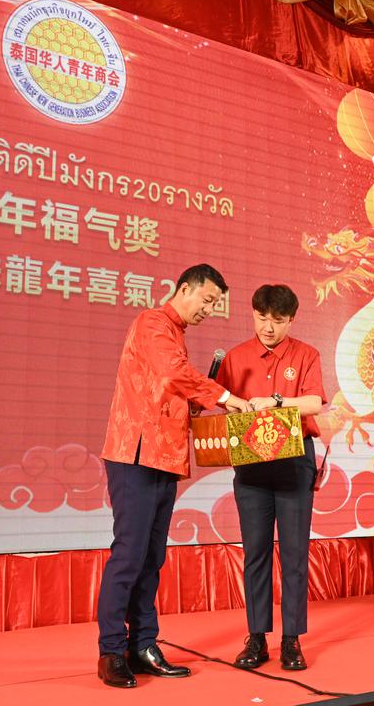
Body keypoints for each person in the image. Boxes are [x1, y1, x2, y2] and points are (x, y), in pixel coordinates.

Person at [96, 263, 252, 689]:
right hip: (135, 454)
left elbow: (169, 391)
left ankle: (143, 645)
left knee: (152, 558)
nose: (209, 310)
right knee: (130, 554)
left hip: (164, 457)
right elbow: (172, 373)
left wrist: (196, 404)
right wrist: (224, 396)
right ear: (184, 289)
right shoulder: (153, 323)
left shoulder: (176, 334)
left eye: (215, 304)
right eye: (207, 300)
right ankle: (111, 650)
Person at [215, 284, 326, 671]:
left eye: (277, 321)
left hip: (295, 462)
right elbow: (220, 402)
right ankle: (257, 638)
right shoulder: (235, 357)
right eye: (261, 318)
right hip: (251, 465)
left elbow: (314, 403)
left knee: (294, 554)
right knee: (256, 552)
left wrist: (276, 401)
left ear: (291, 320)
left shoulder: (306, 355)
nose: (268, 327)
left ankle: (292, 639)